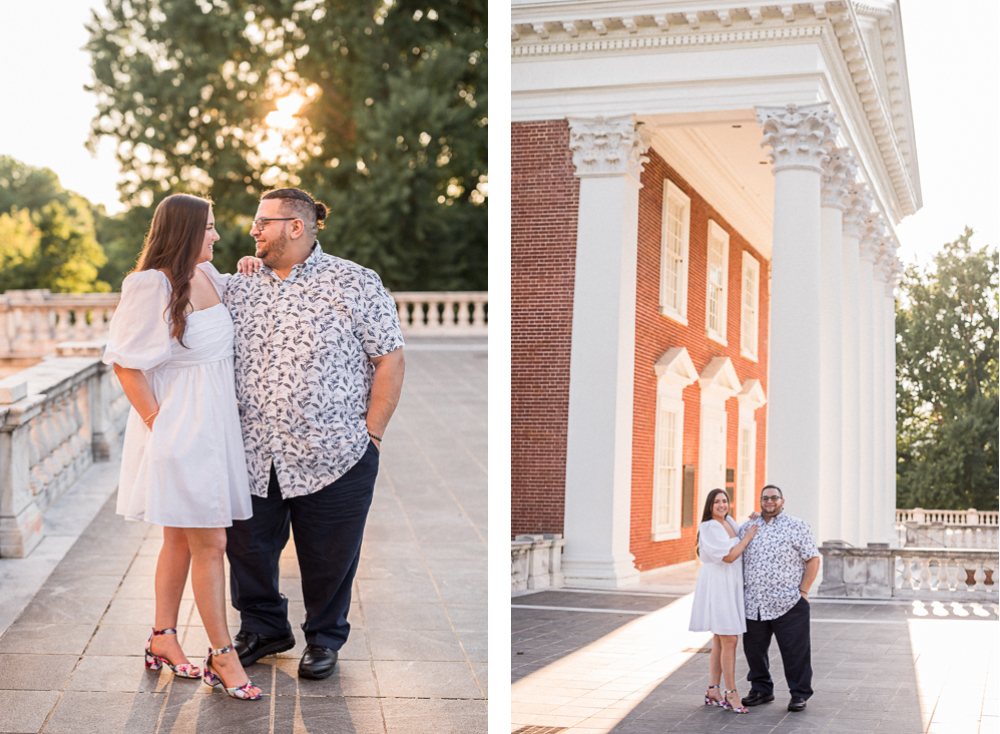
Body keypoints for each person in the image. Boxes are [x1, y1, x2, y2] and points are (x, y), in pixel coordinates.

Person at [223, 187, 406, 680]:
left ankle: (324, 638)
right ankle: (263, 629)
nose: (254, 230)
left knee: (330, 556)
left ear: (296, 226)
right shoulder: (237, 285)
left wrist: (373, 435)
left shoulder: (356, 282)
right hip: (251, 453)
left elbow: (388, 356)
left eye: (263, 222)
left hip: (337, 453)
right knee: (246, 548)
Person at [103, 193, 262, 701]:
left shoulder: (211, 277)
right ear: (185, 230)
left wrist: (249, 265)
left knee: (178, 539)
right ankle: (222, 656)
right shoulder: (151, 283)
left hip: (215, 426)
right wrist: (160, 423)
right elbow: (125, 362)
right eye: (209, 228)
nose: (216, 235)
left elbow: (245, 300)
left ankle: (162, 638)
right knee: (211, 543)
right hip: (182, 427)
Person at [738, 485, 820, 712]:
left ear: (782, 501)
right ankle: (761, 689)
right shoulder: (748, 528)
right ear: (760, 501)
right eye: (765, 498)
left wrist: (803, 592)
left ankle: (799, 694)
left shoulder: (798, 526)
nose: (769, 502)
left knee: (795, 652)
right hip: (754, 603)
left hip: (789, 603)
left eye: (774, 498)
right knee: (754, 651)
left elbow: (813, 559)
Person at [689, 488, 759, 714]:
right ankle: (732, 692)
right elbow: (729, 556)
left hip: (731, 584)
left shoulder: (729, 520)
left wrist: (752, 523)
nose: (721, 505)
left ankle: (713, 689)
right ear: (709, 506)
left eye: (724, 500)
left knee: (721, 640)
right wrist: (747, 538)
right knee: (729, 639)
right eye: (717, 502)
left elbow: (739, 537)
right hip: (719, 585)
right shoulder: (709, 526)